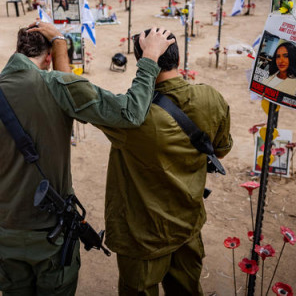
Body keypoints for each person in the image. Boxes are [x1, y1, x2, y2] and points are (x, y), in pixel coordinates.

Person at [0, 23, 174, 296]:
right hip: (51, 237)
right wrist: (150, 59)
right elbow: (131, 113)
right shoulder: (57, 86)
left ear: (18, 50)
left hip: (6, 235)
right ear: (49, 57)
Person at [95, 30, 232, 296]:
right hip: (187, 227)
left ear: (142, 60)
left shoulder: (130, 117)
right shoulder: (211, 98)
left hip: (142, 236)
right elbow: (221, 151)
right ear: (177, 57)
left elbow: (80, 101)